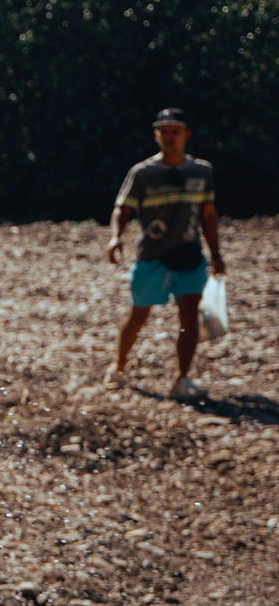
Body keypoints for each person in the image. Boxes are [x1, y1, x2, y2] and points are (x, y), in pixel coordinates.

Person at [104, 107, 226, 398]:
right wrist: (115, 237)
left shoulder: (202, 171)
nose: (170, 137)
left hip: (189, 256)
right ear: (156, 135)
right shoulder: (143, 172)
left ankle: (181, 378)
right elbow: (123, 207)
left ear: (186, 135)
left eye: (176, 131)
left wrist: (216, 253)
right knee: (138, 315)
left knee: (189, 315)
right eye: (164, 131)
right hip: (152, 257)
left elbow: (208, 215)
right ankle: (118, 365)